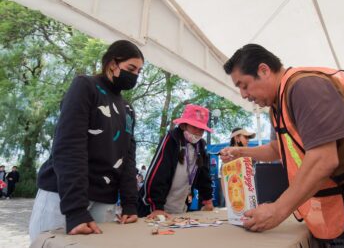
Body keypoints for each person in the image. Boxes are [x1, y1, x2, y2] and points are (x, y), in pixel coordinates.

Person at [220, 44, 344, 246]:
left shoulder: (304, 87)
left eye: (244, 85)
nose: (244, 95)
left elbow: (324, 159)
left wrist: (278, 209)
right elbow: (276, 149)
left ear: (264, 70)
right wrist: (241, 152)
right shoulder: (276, 106)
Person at [29, 40, 144, 241]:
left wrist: (130, 203)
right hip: (64, 196)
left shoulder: (128, 109)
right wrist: (75, 209)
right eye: (131, 68)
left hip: (104, 200)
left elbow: (128, 158)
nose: (134, 76)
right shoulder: (85, 86)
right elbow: (69, 146)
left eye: (139, 72)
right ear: (112, 63)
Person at [138, 104, 214, 218]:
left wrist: (208, 199)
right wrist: (157, 207)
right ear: (184, 125)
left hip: (180, 208)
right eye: (194, 127)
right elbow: (157, 174)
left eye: (201, 129)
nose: (198, 132)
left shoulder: (201, 145)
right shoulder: (171, 139)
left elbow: (204, 175)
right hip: (154, 210)